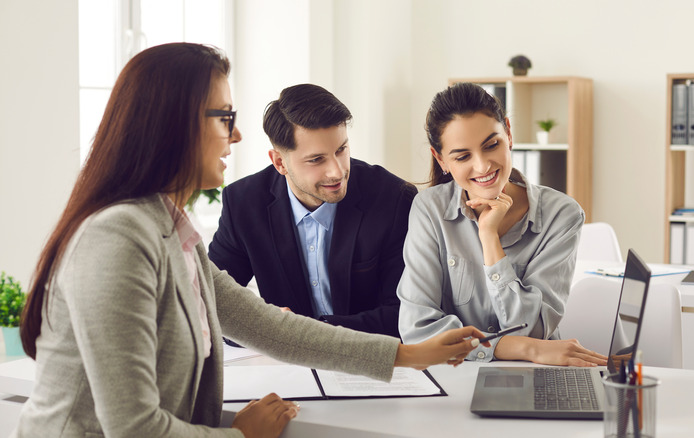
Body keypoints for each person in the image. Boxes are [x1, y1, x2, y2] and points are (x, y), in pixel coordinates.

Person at [14, 44, 484, 438]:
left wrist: (407, 354)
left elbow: (264, 325)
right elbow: (135, 428)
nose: (235, 135)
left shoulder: (168, 226)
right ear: (173, 127)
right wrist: (239, 435)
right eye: (224, 117)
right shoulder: (116, 238)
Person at [397, 82, 606, 366]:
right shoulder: (429, 209)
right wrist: (524, 348)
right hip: (456, 376)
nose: (483, 166)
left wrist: (489, 237)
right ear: (441, 159)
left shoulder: (562, 214)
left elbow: (533, 329)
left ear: (508, 133)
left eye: (491, 145)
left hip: (536, 374)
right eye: (462, 156)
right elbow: (418, 331)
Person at [208, 83, 415, 337]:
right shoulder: (243, 204)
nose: (337, 171)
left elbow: (405, 314)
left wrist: (303, 333)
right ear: (280, 162)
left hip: (372, 361)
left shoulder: (393, 198)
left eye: (341, 150)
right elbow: (210, 305)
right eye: (317, 160)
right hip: (286, 367)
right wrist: (265, 326)